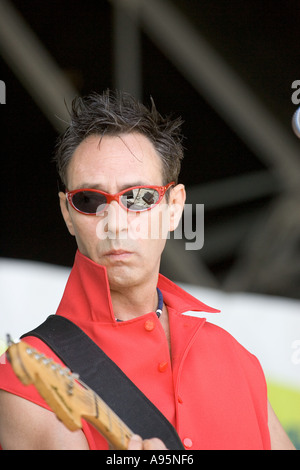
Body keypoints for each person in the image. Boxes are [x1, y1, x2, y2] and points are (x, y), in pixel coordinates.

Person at [0, 90, 295, 450]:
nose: (116, 223)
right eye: (90, 200)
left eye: (138, 197)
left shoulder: (235, 358)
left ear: (174, 207)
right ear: (68, 214)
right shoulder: (29, 379)